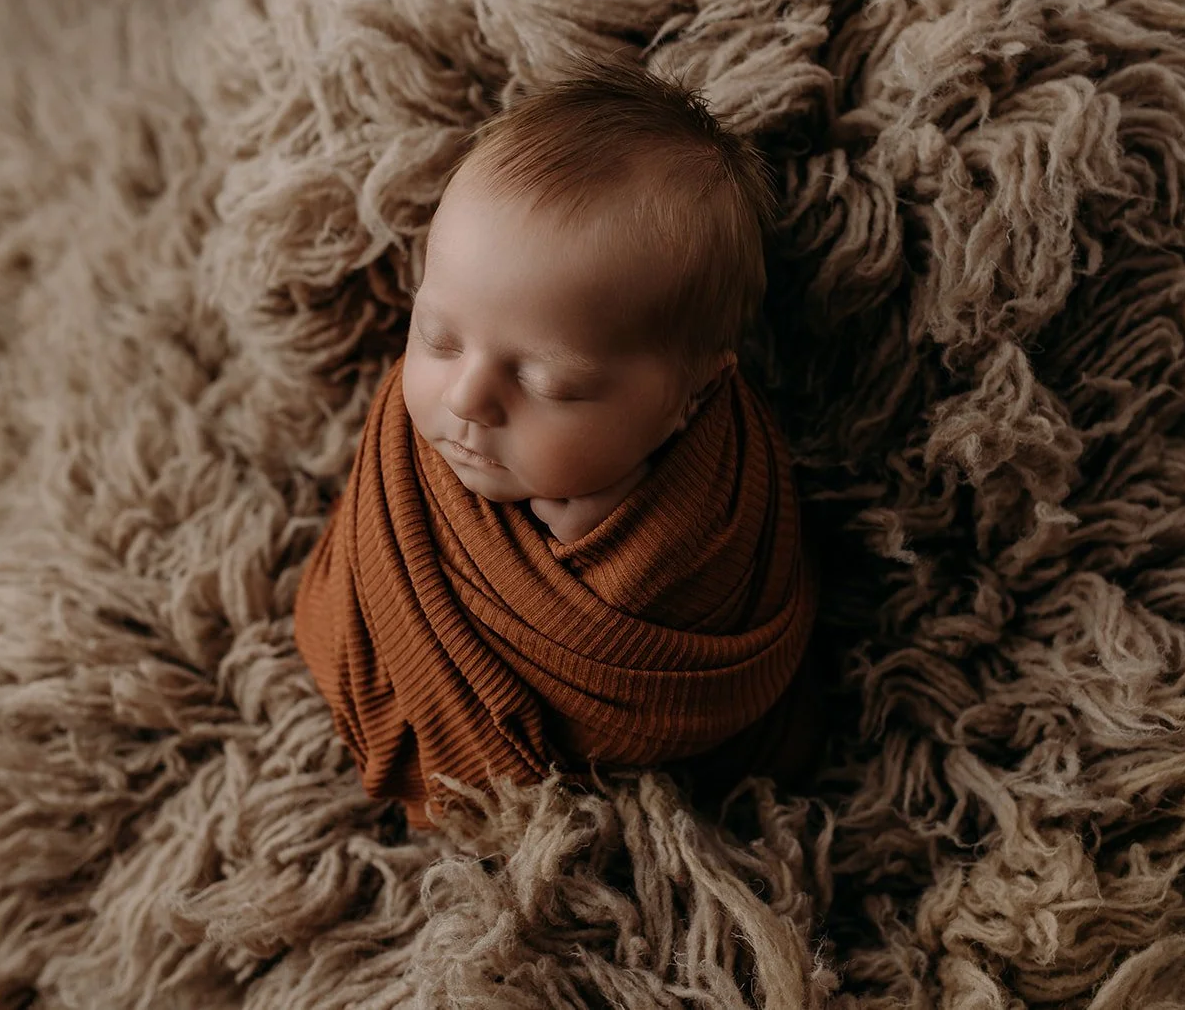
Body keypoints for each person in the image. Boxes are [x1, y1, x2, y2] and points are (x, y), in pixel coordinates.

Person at [294, 56, 820, 827]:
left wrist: (620, 545)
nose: (468, 398)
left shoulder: (717, 516)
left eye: (551, 385)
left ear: (693, 396)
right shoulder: (419, 450)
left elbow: (711, 665)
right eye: (438, 337)